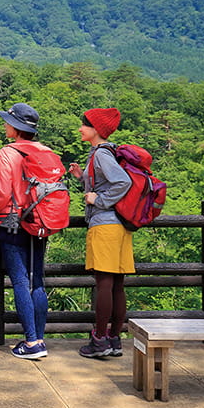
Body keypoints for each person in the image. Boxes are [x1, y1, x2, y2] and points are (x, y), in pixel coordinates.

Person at [69, 108, 133, 358]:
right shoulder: (105, 153)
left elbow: (122, 182)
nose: (80, 129)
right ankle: (115, 339)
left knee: (104, 284)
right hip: (119, 225)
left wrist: (100, 200)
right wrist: (82, 177)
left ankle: (99, 341)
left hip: (105, 225)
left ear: (96, 129)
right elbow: (105, 181)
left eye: (84, 125)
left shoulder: (101, 155)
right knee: (117, 285)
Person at [0, 103, 50, 359]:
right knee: (37, 281)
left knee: (20, 281)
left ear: (16, 128)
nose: (5, 125)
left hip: (13, 223)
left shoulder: (8, 153)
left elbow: (3, 195)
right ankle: (40, 339)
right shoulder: (46, 151)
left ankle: (32, 342)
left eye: (7, 122)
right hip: (40, 222)